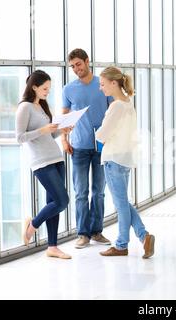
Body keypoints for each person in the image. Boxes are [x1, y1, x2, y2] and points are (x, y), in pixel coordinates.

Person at [95, 66, 155, 259]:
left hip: (113, 158)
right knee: (124, 203)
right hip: (125, 158)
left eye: (103, 84)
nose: (101, 88)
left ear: (114, 83)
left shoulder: (116, 106)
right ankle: (144, 236)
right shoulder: (128, 103)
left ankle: (121, 245)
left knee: (121, 205)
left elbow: (102, 135)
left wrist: (96, 132)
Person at [16, 70, 73, 259]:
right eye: (44, 88)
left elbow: (48, 135)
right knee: (62, 201)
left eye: (49, 88)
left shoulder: (41, 106)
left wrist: (62, 130)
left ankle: (52, 246)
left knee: (54, 203)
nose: (47, 91)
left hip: (56, 159)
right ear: (34, 87)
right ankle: (32, 225)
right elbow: (20, 137)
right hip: (41, 162)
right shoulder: (25, 107)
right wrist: (42, 129)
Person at [62, 49, 113, 249]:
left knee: (99, 192)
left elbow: (112, 112)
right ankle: (82, 234)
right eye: (73, 66)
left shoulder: (102, 84)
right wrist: (64, 140)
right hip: (79, 147)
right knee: (80, 192)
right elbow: (65, 117)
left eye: (78, 64)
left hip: (102, 146)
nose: (76, 69)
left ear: (87, 61)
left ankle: (96, 231)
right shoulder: (69, 89)